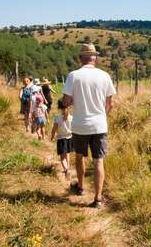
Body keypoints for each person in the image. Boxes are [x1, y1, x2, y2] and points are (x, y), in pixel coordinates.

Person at [62, 43, 116, 209]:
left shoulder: (73, 76)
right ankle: (98, 198)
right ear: (95, 58)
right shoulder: (105, 76)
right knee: (99, 161)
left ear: (80, 58)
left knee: (79, 157)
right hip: (99, 125)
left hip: (80, 124)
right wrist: (102, 116)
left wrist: (72, 102)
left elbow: (66, 101)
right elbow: (110, 103)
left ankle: (80, 187)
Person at [51, 99, 73, 181]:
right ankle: (68, 168)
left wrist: (52, 135)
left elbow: (54, 129)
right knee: (67, 154)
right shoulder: (71, 117)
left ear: (59, 107)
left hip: (61, 139)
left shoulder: (58, 118)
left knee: (62, 158)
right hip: (70, 138)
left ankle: (66, 170)